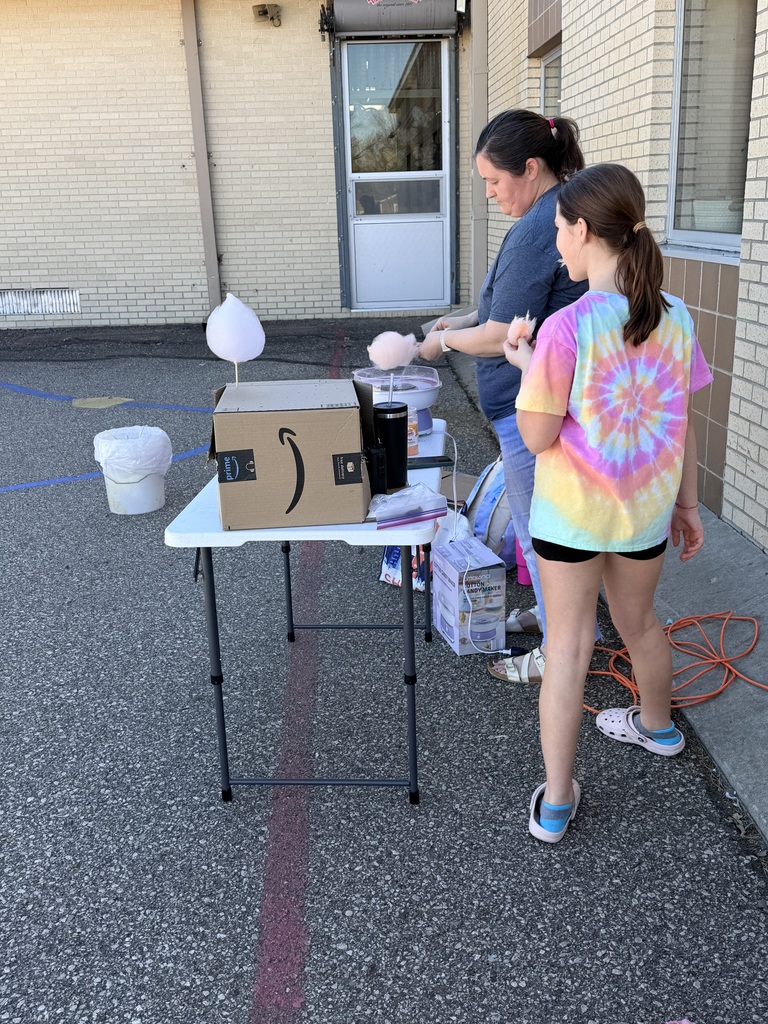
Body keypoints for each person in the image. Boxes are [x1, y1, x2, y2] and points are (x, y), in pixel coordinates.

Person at [503, 163, 713, 843]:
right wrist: (688, 506)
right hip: (644, 514)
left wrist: (524, 363)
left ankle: (557, 801)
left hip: (570, 519)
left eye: (561, 229)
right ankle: (657, 728)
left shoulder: (566, 329)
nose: (557, 242)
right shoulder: (676, 316)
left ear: (585, 230)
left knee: (567, 648)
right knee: (642, 623)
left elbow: (537, 436)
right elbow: (682, 421)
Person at [420, 109, 590, 683]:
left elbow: (499, 335)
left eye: (495, 181)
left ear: (532, 168)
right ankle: (550, 618)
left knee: (544, 531)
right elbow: (505, 310)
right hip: (531, 405)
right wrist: (460, 319)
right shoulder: (552, 213)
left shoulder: (542, 225)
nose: (490, 193)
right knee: (534, 523)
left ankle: (558, 651)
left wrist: (441, 344)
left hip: (534, 410)